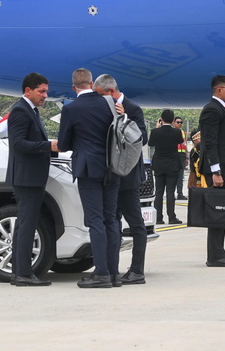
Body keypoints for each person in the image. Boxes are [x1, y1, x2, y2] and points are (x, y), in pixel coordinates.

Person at [57, 68, 119, 288]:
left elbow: (63, 144)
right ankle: (113, 273)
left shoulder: (71, 109)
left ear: (74, 87)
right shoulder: (108, 104)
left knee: (95, 221)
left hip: (87, 168)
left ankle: (101, 273)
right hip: (111, 168)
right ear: (92, 83)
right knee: (111, 219)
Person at [5, 72, 59, 287]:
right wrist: (48, 146)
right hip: (27, 178)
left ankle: (20, 272)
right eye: (41, 91)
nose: (45, 95)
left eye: (46, 91)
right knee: (27, 225)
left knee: (24, 225)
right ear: (28, 91)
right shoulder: (20, 111)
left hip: (31, 176)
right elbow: (18, 144)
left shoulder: (31, 111)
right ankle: (23, 274)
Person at [94, 74, 148, 285]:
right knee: (112, 221)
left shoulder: (132, 108)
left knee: (136, 223)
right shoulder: (104, 108)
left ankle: (137, 270)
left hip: (128, 176)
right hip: (110, 175)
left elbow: (143, 138)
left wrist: (125, 119)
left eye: (99, 95)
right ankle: (110, 268)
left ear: (109, 92)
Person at [198, 75, 225, 267]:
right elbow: (210, 142)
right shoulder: (212, 110)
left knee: (222, 212)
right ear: (219, 90)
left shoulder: (223, 109)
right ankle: (215, 255)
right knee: (218, 212)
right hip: (217, 170)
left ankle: (218, 252)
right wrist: (216, 171)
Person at [148, 109, 184, 226]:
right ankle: (172, 217)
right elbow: (180, 141)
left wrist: (158, 128)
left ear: (161, 119)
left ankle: (158, 217)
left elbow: (150, 143)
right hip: (172, 164)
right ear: (173, 120)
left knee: (159, 191)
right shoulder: (177, 132)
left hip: (159, 164)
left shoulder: (155, 132)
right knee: (170, 191)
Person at [174, 116, 189, 200]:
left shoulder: (183, 132)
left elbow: (185, 145)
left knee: (180, 175)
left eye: (181, 122)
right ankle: (171, 193)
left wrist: (187, 158)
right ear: (174, 122)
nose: (179, 124)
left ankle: (180, 193)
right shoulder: (171, 132)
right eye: (178, 122)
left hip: (182, 156)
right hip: (174, 155)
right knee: (173, 176)